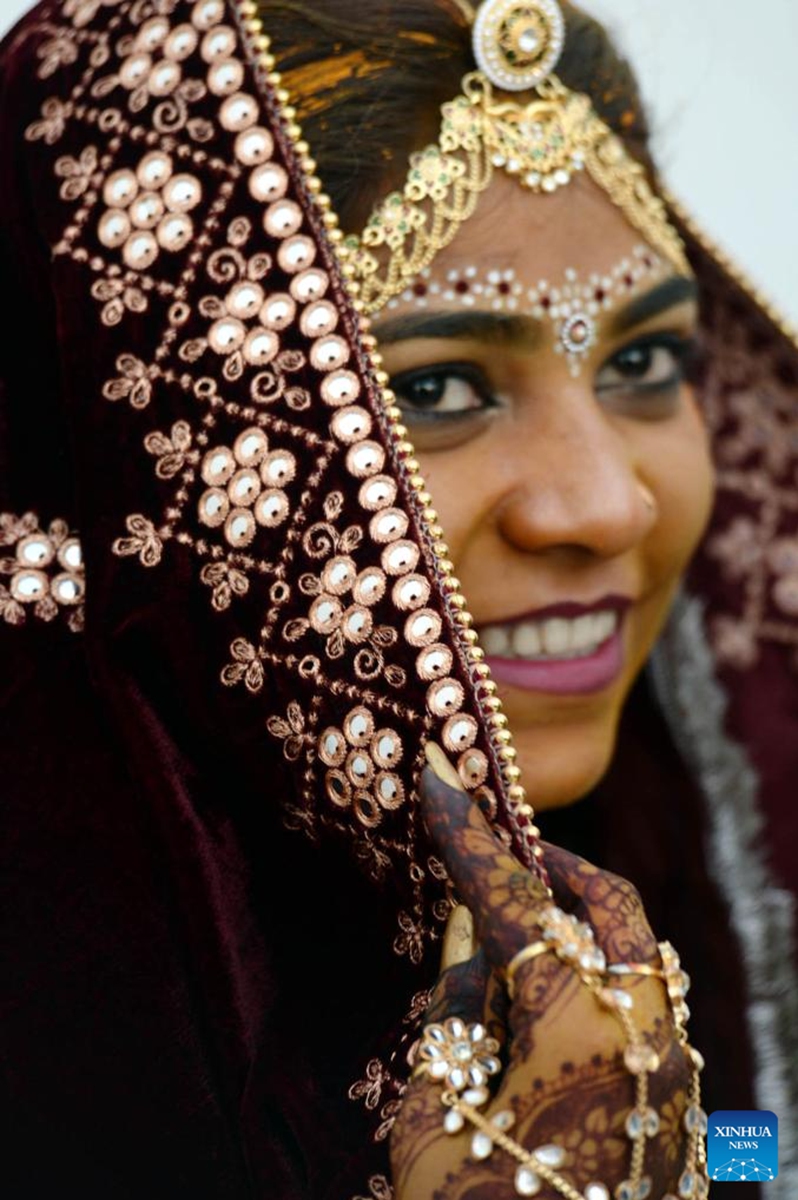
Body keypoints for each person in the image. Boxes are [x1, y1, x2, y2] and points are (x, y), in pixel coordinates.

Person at [0, 0, 795, 1195]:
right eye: (429, 388)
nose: (608, 506)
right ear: (146, 457)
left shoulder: (712, 882)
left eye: (641, 363)